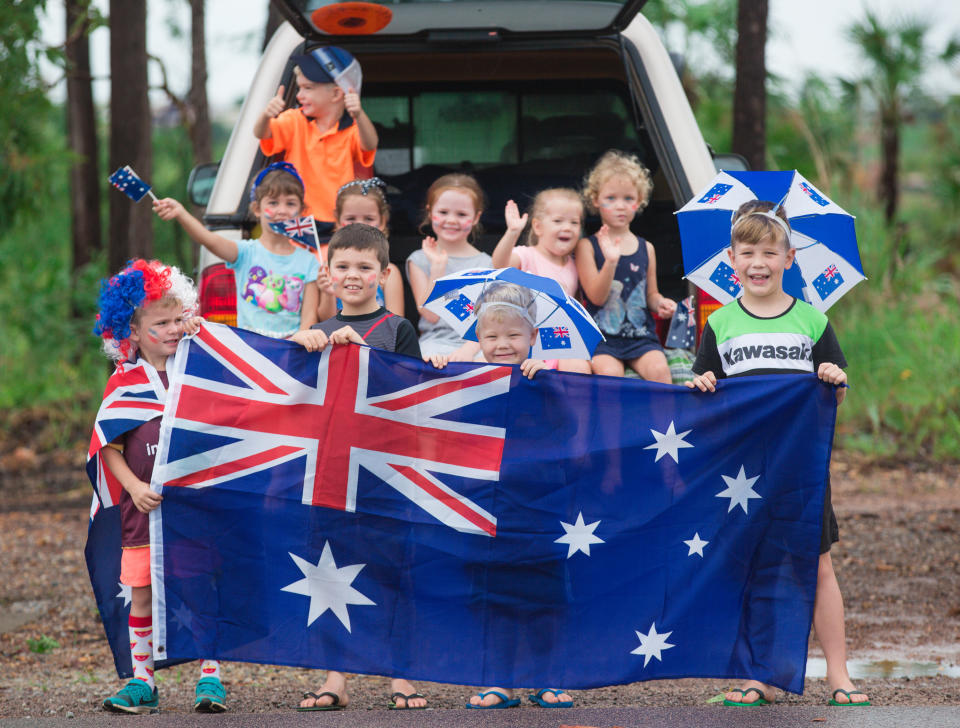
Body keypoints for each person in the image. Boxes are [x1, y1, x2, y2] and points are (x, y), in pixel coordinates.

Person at [686, 201, 870, 709]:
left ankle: (838, 674)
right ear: (731, 258)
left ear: (789, 258)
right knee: (750, 568)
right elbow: (707, 391)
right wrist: (701, 382)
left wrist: (835, 381)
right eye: (748, 252)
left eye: (770, 251)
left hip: (800, 468)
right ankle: (756, 675)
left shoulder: (812, 321)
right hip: (741, 471)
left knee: (817, 567)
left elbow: (834, 397)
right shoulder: (719, 324)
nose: (758, 262)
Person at [289, 223, 424, 710]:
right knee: (331, 571)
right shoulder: (317, 334)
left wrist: (359, 354)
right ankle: (336, 678)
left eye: (364, 267)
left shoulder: (398, 329)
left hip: (387, 469)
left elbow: (410, 395)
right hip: (332, 471)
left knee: (393, 571)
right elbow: (285, 381)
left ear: (384, 274)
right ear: (328, 273)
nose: (353, 275)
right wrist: (303, 341)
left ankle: (400, 676)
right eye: (343, 266)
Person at [91, 260, 226, 714]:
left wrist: (200, 327)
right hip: (143, 509)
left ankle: (210, 676)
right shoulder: (124, 382)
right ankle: (143, 679)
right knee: (143, 591)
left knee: (200, 586)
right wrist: (131, 488)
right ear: (130, 331)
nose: (171, 330)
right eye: (159, 323)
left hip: (197, 505)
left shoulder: (203, 367)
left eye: (177, 319)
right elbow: (107, 444)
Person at [429, 283, 569, 709]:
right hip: (484, 505)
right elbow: (441, 421)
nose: (502, 344)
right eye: (491, 337)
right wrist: (435, 369)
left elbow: (575, 431)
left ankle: (545, 678)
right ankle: (497, 680)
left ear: (532, 337)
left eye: (513, 335)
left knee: (544, 594)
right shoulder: (466, 377)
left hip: (541, 507)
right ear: (478, 339)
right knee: (491, 593)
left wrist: (551, 387)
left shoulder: (549, 380)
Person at [153, 162, 319, 338]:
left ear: (301, 211)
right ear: (257, 209)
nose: (282, 210)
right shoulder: (246, 253)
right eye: (273, 202)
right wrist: (181, 213)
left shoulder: (309, 261)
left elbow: (309, 317)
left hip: (290, 353)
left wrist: (295, 348)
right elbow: (209, 240)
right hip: (249, 352)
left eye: (290, 203)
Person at [575, 150, 676, 381]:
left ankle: (665, 419)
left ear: (639, 202)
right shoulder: (587, 247)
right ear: (596, 200)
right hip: (602, 338)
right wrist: (611, 261)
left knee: (660, 371)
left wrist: (661, 303)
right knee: (611, 375)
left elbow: (650, 294)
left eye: (628, 198)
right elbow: (596, 298)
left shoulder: (646, 248)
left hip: (641, 336)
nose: (620, 205)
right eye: (611, 198)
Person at [254, 46, 378, 227]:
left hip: (340, 223)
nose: (299, 96)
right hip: (299, 222)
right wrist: (266, 115)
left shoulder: (351, 129)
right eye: (299, 88)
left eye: (307, 88)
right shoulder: (294, 120)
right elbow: (261, 133)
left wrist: (359, 115)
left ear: (336, 93)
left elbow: (370, 143)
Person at [491, 188, 592, 374]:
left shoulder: (575, 263)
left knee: (579, 368)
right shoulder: (526, 255)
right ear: (538, 227)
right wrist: (512, 232)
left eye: (574, 222)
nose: (567, 227)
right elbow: (499, 266)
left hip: (559, 338)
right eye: (558, 221)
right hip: (527, 338)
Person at [406, 173, 492, 360]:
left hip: (479, 343)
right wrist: (437, 268)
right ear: (430, 213)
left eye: (461, 214)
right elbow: (430, 315)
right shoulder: (419, 259)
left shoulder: (486, 263)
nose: (452, 220)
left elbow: (489, 320)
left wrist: (467, 351)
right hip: (435, 342)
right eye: (443, 212)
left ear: (476, 217)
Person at [316, 178, 405, 321]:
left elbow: (397, 324)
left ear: (382, 221)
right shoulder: (330, 269)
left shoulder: (390, 272)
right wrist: (327, 293)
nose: (359, 225)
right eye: (351, 218)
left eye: (369, 218)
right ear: (338, 221)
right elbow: (326, 321)